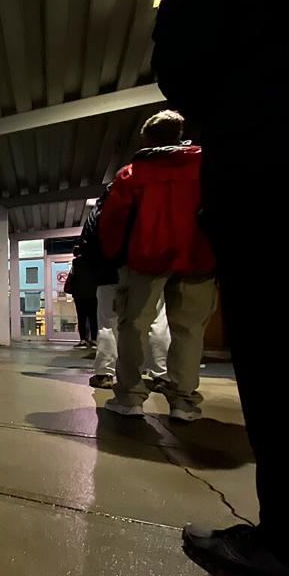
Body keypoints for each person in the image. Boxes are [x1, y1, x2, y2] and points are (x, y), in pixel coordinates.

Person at [152, 0, 289, 576]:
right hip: (204, 246)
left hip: (265, 166)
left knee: (277, 353)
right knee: (186, 329)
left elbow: (182, 53)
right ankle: (183, 397)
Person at [99, 109, 216, 422]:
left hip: (145, 259)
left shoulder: (132, 174)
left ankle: (130, 397)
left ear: (147, 138)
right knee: (189, 330)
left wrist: (115, 257)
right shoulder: (205, 166)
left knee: (133, 325)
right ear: (180, 134)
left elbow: (113, 222)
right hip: (197, 258)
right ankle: (183, 401)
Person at [79, 185, 171, 389]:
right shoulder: (148, 204)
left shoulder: (99, 211)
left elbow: (86, 245)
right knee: (156, 320)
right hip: (147, 271)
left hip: (108, 275)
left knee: (108, 323)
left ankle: (105, 373)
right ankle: (160, 374)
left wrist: (93, 272)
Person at [64, 246, 97, 348]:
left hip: (79, 295)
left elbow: (73, 277)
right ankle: (94, 340)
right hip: (92, 294)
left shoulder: (76, 263)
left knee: (81, 318)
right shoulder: (93, 262)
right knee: (93, 318)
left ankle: (82, 340)